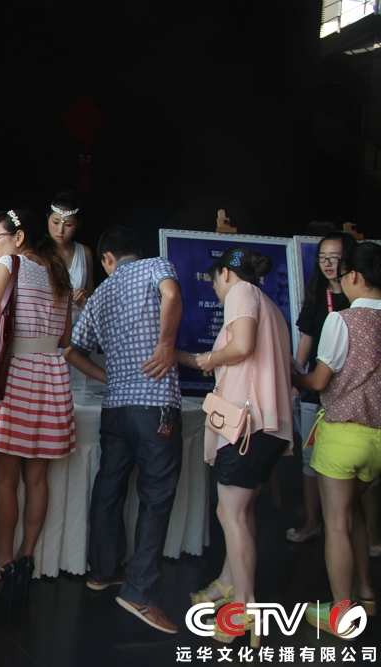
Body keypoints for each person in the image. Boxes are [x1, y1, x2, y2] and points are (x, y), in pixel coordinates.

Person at [65, 225, 183, 635]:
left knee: (109, 488)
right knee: (156, 496)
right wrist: (165, 346)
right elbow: (172, 294)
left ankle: (102, 571)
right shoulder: (156, 265)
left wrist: (111, 377)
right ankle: (141, 593)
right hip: (155, 404)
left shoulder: (101, 292)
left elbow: (72, 350)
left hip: (115, 407)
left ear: (108, 259)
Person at [177, 248, 293, 645]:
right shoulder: (270, 305)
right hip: (266, 426)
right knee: (239, 512)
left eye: (214, 281)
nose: (215, 288)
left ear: (225, 273)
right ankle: (227, 586)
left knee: (231, 514)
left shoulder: (241, 293)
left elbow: (241, 346)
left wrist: (205, 359)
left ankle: (245, 611)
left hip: (246, 426)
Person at [0, 209, 76, 604]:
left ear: (18, 238)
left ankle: (4, 566)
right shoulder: (60, 273)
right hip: (52, 377)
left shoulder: (10, 264)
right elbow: (65, 339)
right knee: (37, 480)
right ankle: (27, 557)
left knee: (6, 480)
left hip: (17, 375)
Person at [294, 242, 381, 636]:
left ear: (354, 276)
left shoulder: (341, 320)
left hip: (343, 435)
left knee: (336, 525)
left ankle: (342, 613)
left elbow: (319, 381)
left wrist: (292, 374)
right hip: (377, 441)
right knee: (354, 513)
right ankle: (366, 592)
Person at [286, 231, 357, 544]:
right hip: (316, 389)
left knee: (356, 466)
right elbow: (306, 341)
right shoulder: (316, 294)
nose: (328, 264)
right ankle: (313, 521)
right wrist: (295, 381)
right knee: (310, 459)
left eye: (335, 258)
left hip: (351, 392)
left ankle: (363, 532)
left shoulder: (360, 298)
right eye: (323, 258)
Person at [46, 191, 94, 322]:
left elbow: (91, 297)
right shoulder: (39, 252)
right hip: (48, 324)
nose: (60, 230)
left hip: (77, 325)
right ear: (47, 218)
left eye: (68, 225)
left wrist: (84, 299)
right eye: (55, 222)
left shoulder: (85, 253)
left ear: (78, 224)